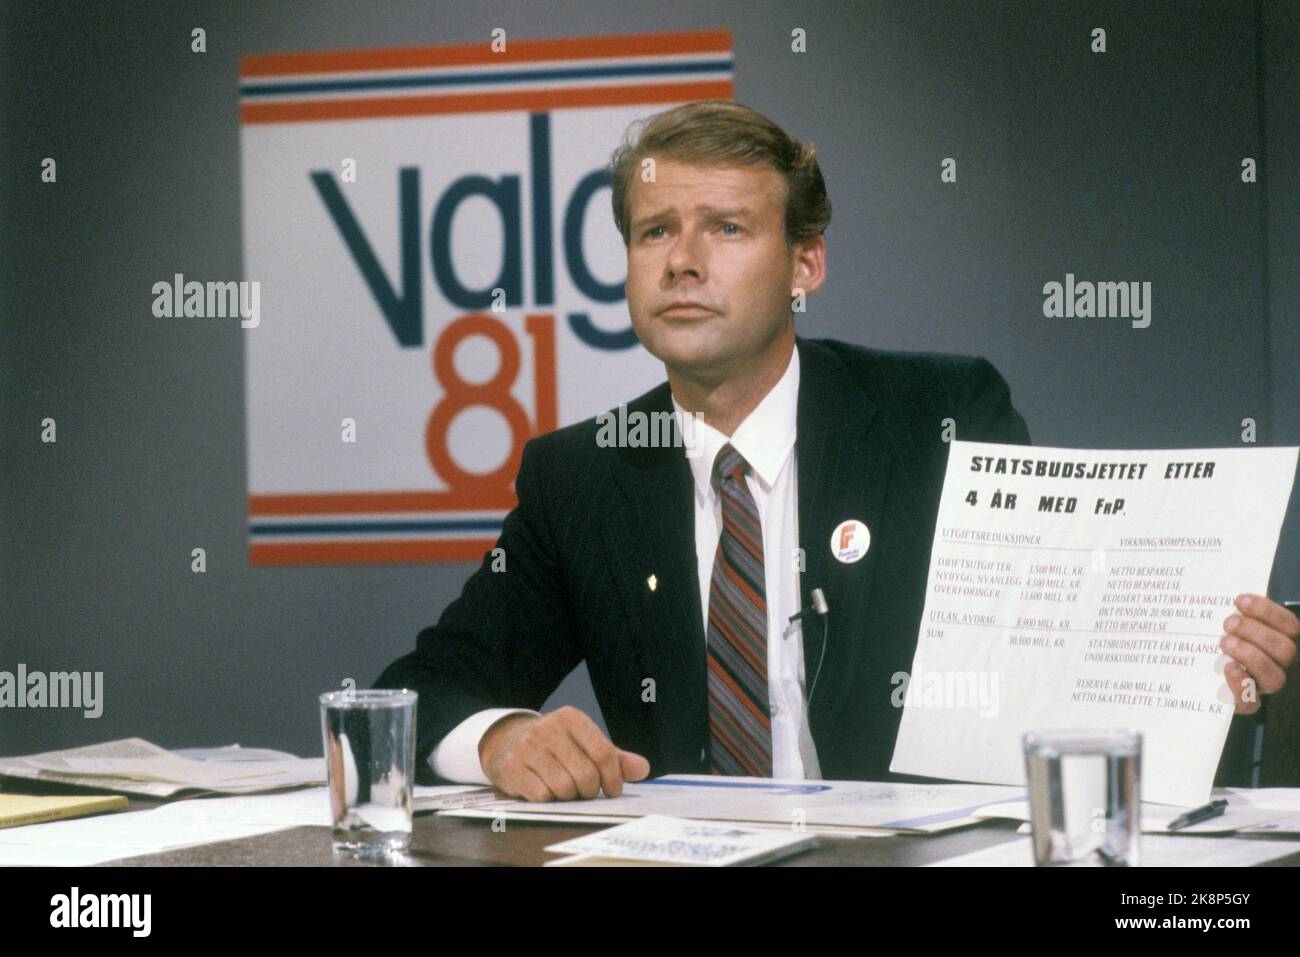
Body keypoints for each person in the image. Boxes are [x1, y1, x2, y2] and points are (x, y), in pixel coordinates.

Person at [375, 100, 1298, 802]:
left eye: (726, 228)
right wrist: (498, 738)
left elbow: (1059, 652)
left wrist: (1209, 663)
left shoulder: (937, 413)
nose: (683, 261)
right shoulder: (581, 475)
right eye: (655, 231)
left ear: (805, 264)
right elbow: (420, 689)